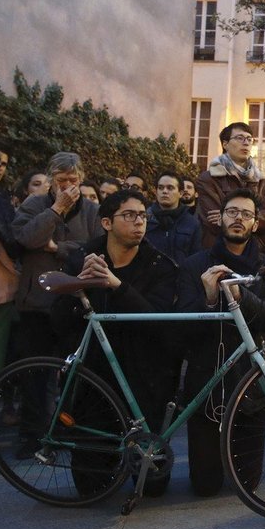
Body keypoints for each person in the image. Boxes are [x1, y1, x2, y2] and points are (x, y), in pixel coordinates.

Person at [54, 189, 180, 492]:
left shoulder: (159, 264)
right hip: (95, 377)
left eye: (143, 216)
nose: (139, 222)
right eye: (129, 215)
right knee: (89, 485)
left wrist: (117, 285)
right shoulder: (83, 257)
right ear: (107, 222)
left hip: (144, 376)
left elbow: (158, 322)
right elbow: (58, 321)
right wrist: (78, 289)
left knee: (153, 489)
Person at [177, 189, 265, 496]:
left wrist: (241, 296)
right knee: (205, 487)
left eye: (247, 214)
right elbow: (184, 330)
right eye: (232, 212)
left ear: (255, 224)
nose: (239, 219)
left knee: (248, 483)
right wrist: (210, 300)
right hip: (206, 384)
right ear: (220, 218)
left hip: (251, 385)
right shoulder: (193, 265)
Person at [13, 152, 103, 359]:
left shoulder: (93, 211)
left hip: (75, 302)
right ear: (51, 180)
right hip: (36, 301)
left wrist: (59, 248)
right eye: (61, 180)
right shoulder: (34, 204)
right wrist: (56, 209)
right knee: (35, 369)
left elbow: (97, 248)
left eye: (73, 180)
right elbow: (26, 239)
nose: (67, 186)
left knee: (69, 367)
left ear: (80, 180)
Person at [195, 122, 265, 251]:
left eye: (249, 139)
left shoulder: (261, 180)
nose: (246, 143)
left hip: (255, 252)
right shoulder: (208, 178)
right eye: (240, 138)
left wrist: (232, 215)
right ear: (225, 144)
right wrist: (254, 218)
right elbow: (213, 223)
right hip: (219, 252)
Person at [145, 171, 202, 266]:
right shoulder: (144, 219)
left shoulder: (192, 223)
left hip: (181, 278)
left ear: (180, 193)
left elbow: (195, 259)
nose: (164, 191)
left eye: (170, 188)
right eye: (160, 188)